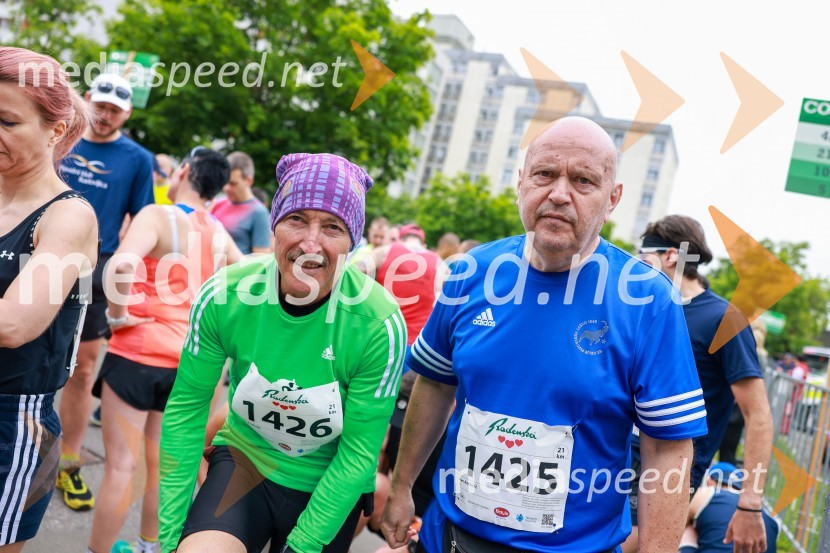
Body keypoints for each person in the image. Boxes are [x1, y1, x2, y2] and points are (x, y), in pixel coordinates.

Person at [381, 116, 708, 552]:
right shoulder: (469, 273)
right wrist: (401, 487)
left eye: (583, 180)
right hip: (452, 540)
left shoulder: (648, 301)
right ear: (521, 182)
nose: (558, 193)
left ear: (612, 199)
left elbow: (667, 449)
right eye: (545, 174)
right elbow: (435, 385)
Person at [159, 153, 406, 553]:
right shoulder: (225, 295)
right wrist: (170, 539)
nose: (311, 243)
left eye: (332, 227)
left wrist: (301, 546)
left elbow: (359, 452)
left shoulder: (378, 323)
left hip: (329, 482)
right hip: (246, 464)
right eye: (297, 219)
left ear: (352, 243)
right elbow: (186, 410)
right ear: (274, 225)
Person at [87, 148, 240, 553]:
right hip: (188, 365)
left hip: (138, 353)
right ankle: (147, 547)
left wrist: (117, 317)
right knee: (162, 469)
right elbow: (247, 288)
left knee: (121, 466)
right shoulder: (219, 231)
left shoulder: (158, 214)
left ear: (185, 171)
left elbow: (120, 266)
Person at [625, 215, 773, 553]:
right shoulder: (643, 307)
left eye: (641, 256)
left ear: (671, 256)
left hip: (671, 466)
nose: (633, 265)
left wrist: (750, 503)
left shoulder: (725, 319)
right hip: (615, 453)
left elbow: (758, 415)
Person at [0, 46, 99, 550]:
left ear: (55, 130)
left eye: (7, 120)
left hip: (12, 428)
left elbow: (14, 323)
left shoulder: (68, 216)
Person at [57, 72, 155, 512]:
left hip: (94, 272)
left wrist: (130, 283)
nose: (104, 115)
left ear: (127, 112)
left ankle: (67, 461)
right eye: (99, 105)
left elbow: (143, 221)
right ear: (88, 101)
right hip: (37, 255)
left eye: (114, 109)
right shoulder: (62, 133)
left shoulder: (137, 158)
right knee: (16, 348)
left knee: (82, 369)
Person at [679, 463, 778, 553]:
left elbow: (678, 525)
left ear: (710, 480)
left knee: (688, 528)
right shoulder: (768, 517)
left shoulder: (707, 492)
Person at [210, 151, 272, 255]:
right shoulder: (217, 204)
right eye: (225, 182)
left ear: (248, 181)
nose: (226, 188)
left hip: (237, 270)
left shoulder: (259, 212)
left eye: (233, 183)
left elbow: (261, 258)